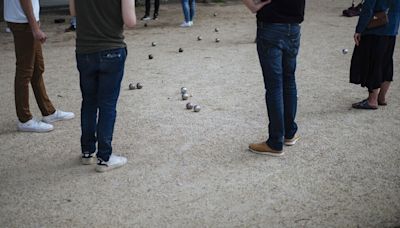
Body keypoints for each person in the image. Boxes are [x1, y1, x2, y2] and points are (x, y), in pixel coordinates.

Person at [74, 0, 136, 172]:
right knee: (107, 105)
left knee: (88, 102)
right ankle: (104, 157)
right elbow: (130, 21)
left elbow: (73, 11)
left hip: (84, 50)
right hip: (112, 48)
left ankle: (87, 151)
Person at [242, 0, 305, 156]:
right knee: (289, 80)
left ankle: (275, 141)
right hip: (293, 26)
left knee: (274, 85)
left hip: (270, 25)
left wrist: (251, 5)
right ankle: (289, 133)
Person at [4, 0, 75, 133]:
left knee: (37, 68)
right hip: (22, 21)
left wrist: (35, 21)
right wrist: (34, 27)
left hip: (24, 20)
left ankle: (48, 111)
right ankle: (24, 119)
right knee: (25, 71)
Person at [350, 0, 400, 109]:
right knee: (386, 62)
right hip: (392, 27)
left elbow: (368, 8)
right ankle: (381, 97)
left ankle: (372, 99)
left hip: (376, 28)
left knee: (374, 62)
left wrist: (359, 29)